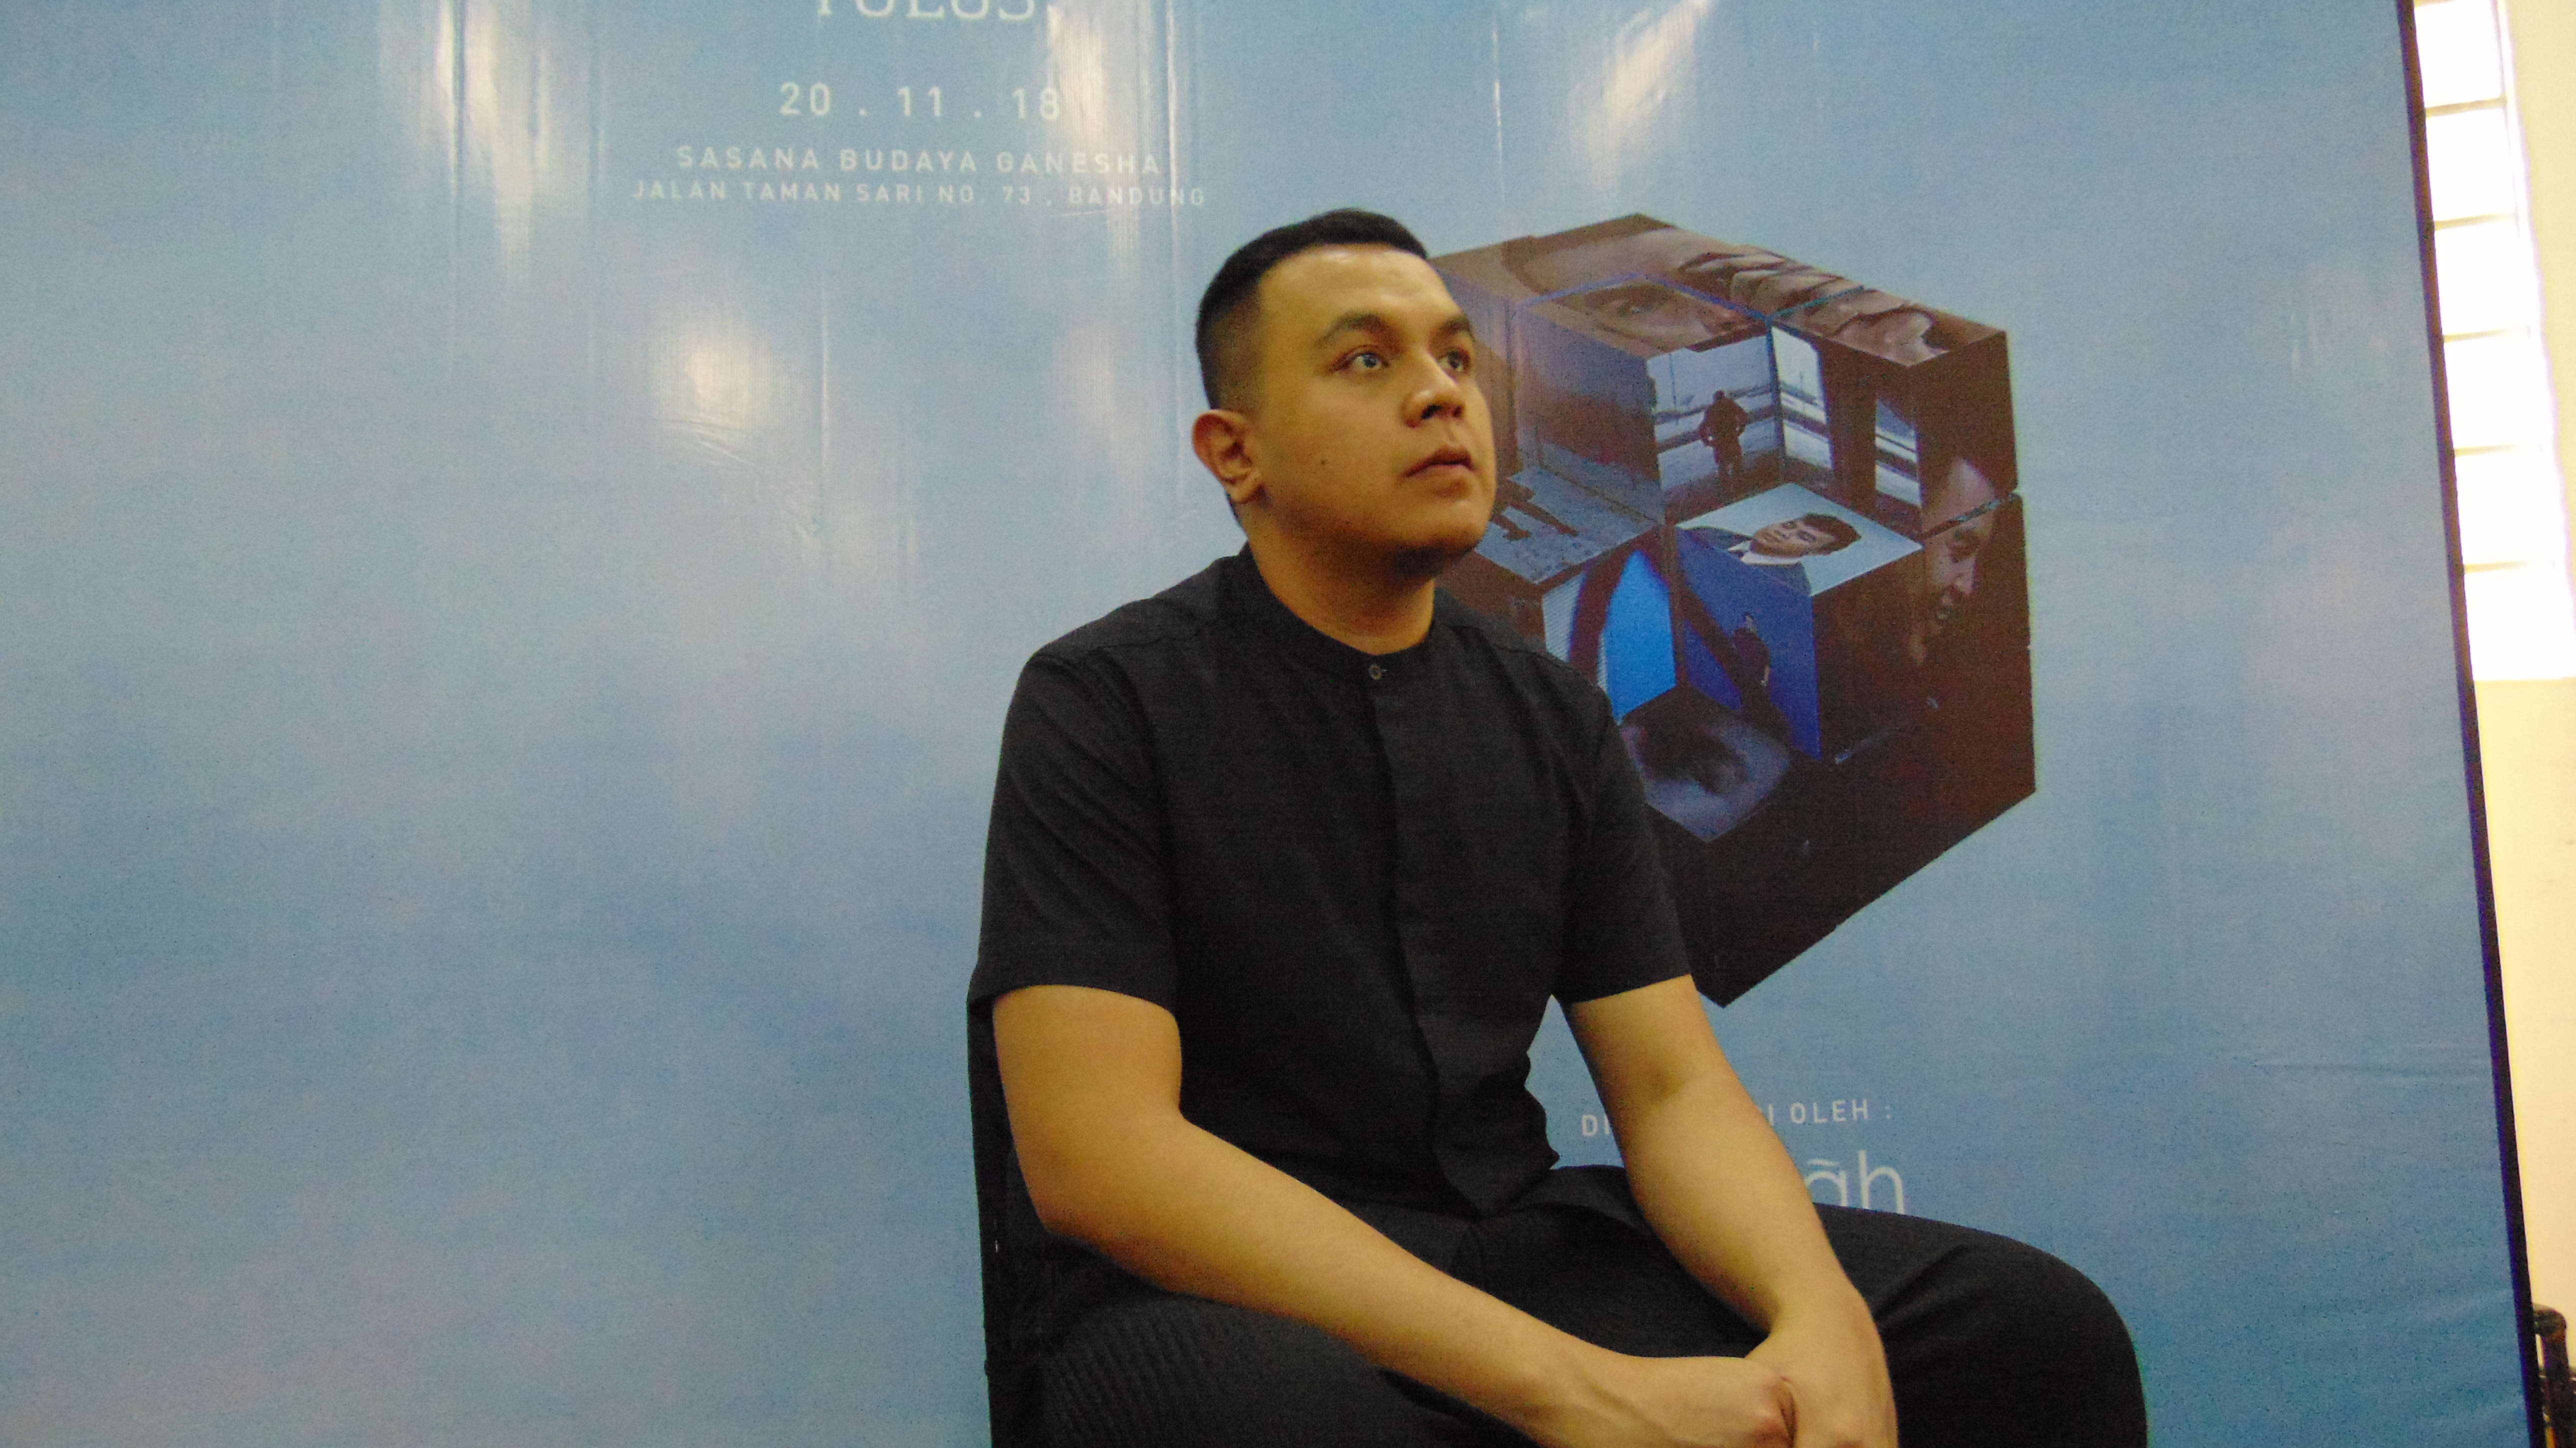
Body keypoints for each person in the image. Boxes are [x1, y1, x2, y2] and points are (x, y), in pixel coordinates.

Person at [972, 208, 2144, 1448]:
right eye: (1366, 359)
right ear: (1234, 451)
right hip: (1228, 1285)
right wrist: (1575, 1389)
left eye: (1456, 358)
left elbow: (1672, 1088)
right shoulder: (1104, 699)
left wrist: (1821, 1319)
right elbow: (1103, 1158)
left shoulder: (1554, 709)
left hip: (1510, 1240)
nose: (1440, 394)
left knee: (2030, 1332)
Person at [1697, 392, 1750, 486]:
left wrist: (1707, 442)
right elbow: (1743, 416)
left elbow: (1702, 429)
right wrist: (1740, 430)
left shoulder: (1711, 410)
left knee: (1723, 467)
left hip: (1719, 441)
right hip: (1732, 438)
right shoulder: (1730, 404)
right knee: (1737, 463)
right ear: (1723, 396)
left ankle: (1726, 487)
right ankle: (1741, 485)